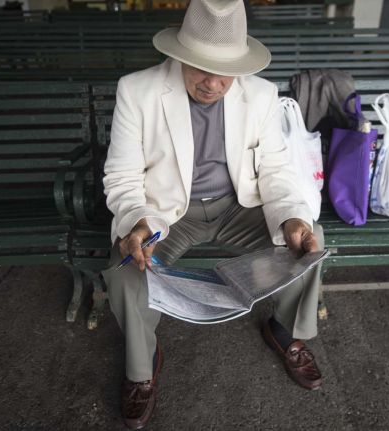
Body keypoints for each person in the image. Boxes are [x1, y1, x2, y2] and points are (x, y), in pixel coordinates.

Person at [100, 0, 325, 428]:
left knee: (310, 240)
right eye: (201, 67)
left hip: (238, 207)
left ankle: (283, 331)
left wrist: (292, 217)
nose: (213, 83)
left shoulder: (260, 94)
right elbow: (123, 175)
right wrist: (136, 222)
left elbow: (275, 169)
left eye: (226, 71)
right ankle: (140, 367)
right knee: (127, 264)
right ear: (180, 56)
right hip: (168, 213)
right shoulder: (137, 90)